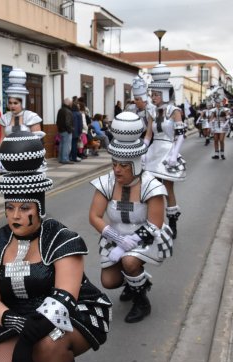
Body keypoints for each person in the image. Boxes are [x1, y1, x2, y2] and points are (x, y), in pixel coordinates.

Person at [0, 130, 112, 362]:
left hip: (73, 315)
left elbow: (64, 298)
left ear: (39, 208)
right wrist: (16, 323)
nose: (16, 216)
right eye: (10, 207)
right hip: (20, 319)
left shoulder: (63, 239)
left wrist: (28, 339)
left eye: (25, 208)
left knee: (48, 347)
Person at [89, 112, 173, 322]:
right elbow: (94, 216)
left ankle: (141, 300)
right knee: (108, 281)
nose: (117, 170)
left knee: (129, 261)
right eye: (114, 163)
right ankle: (133, 280)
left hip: (147, 238)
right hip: (116, 236)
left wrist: (128, 245)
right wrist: (117, 240)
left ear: (135, 164)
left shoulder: (150, 186)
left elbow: (155, 223)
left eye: (124, 166)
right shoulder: (107, 183)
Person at [144, 64, 187, 239]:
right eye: (152, 94)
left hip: (169, 151)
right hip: (154, 152)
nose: (152, 97)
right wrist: (143, 151)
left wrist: (174, 155)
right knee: (153, 189)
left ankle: (172, 223)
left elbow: (181, 136)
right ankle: (155, 223)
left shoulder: (175, 111)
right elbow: (148, 135)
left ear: (164, 94)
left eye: (155, 94)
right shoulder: (152, 112)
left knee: (168, 189)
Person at [0, 68, 47, 172]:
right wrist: (0, 157)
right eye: (10, 103)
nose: (12, 106)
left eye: (15, 103)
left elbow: (37, 142)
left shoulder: (31, 117)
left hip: (30, 160)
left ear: (23, 102)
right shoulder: (4, 118)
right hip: (10, 160)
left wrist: (37, 159)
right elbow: (2, 139)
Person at [209, 90, 229, 160]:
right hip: (215, 126)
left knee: (221, 140)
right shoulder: (213, 110)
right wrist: (211, 127)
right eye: (217, 102)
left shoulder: (225, 109)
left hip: (223, 125)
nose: (218, 104)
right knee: (215, 140)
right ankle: (216, 154)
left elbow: (228, 117)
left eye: (219, 102)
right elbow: (211, 119)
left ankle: (222, 154)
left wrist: (227, 118)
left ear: (221, 103)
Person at [55, 97, 73, 164]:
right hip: (66, 131)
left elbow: (57, 121)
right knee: (66, 145)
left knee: (62, 144)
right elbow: (67, 122)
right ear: (68, 103)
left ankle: (61, 158)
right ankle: (65, 159)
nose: (71, 104)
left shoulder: (60, 110)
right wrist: (70, 130)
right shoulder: (68, 111)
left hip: (61, 130)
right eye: (71, 103)